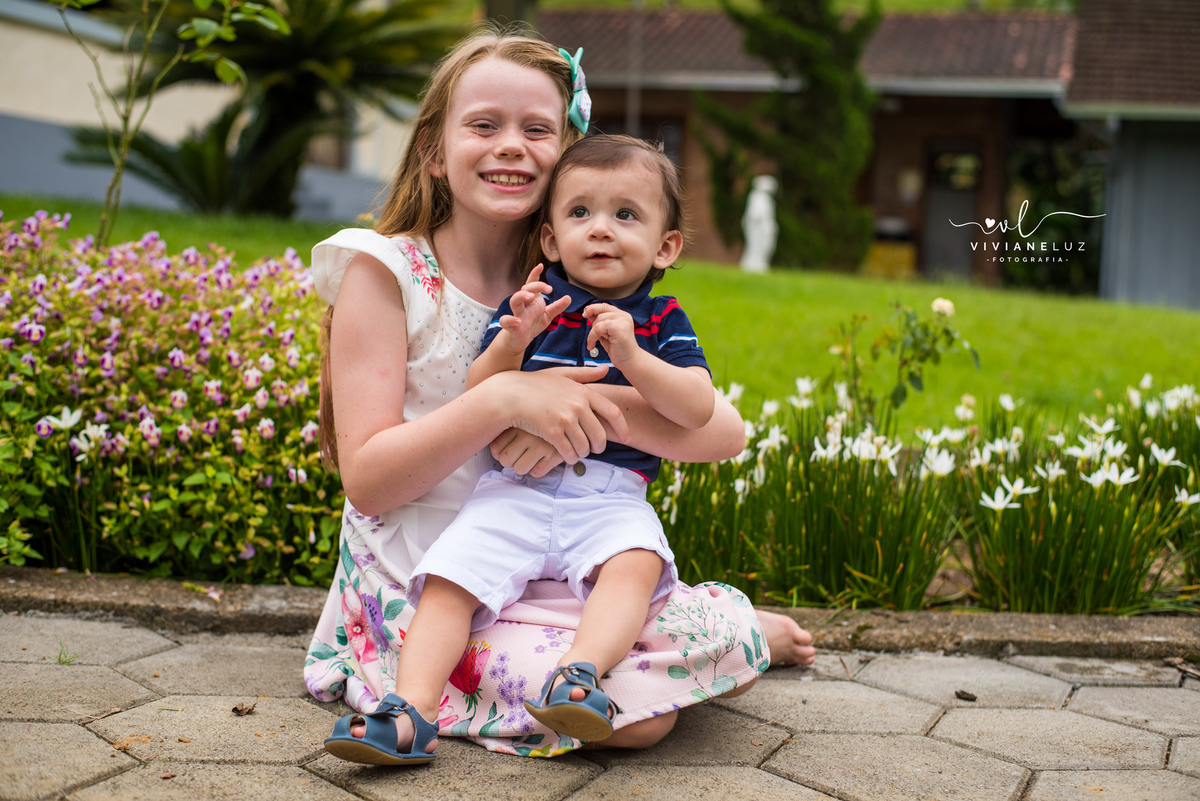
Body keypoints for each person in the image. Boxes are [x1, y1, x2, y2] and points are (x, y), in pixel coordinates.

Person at [305, 28, 815, 765]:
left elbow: (720, 432)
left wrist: (578, 416)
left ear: (567, 153)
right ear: (432, 150)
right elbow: (369, 480)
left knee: (620, 666)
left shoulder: (580, 270)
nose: (510, 145)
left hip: (557, 554)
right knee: (640, 717)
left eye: (536, 129)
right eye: (483, 125)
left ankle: (718, 632)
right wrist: (508, 399)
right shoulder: (387, 274)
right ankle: (725, 637)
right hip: (427, 563)